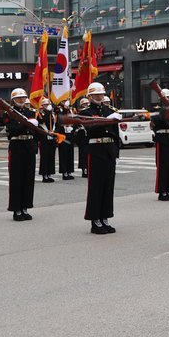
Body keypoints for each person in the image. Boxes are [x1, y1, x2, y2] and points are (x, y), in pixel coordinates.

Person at [81, 82, 120, 235]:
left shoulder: (110, 110)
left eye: (101, 94)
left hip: (109, 150)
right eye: (96, 94)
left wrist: (116, 154)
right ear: (89, 96)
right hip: (96, 150)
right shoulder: (86, 112)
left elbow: (115, 135)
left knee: (108, 186)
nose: (100, 96)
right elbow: (90, 128)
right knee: (96, 187)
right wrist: (107, 120)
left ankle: (105, 217)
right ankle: (95, 220)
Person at [2, 88, 37, 221]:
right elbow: (12, 131)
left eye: (23, 98)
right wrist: (26, 124)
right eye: (18, 99)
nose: (21, 100)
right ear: (13, 100)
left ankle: (25, 207)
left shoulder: (31, 112)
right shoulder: (8, 113)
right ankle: (16, 209)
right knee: (17, 180)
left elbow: (35, 131)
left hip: (29, 147)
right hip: (17, 147)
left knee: (28, 179)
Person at [150, 88, 169, 201]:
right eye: (167, 97)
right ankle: (161, 191)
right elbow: (157, 120)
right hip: (163, 139)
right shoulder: (157, 109)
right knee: (162, 166)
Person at [36, 97, 57, 183]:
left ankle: (50, 173)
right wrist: (48, 112)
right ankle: (44, 175)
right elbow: (42, 121)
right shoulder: (40, 114)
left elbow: (56, 123)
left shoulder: (52, 114)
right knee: (44, 156)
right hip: (44, 137)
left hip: (52, 136)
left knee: (51, 156)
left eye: (48, 104)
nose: (47, 106)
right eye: (45, 105)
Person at [56, 100, 76, 180]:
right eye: (64, 102)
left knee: (70, 154)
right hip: (63, 135)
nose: (66, 104)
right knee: (63, 154)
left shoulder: (71, 111)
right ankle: (64, 172)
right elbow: (58, 122)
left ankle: (69, 171)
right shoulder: (59, 111)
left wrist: (73, 128)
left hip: (70, 135)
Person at [74, 97, 90, 177]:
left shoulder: (89, 112)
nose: (86, 105)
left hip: (89, 134)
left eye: (87, 103)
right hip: (82, 134)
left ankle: (88, 168)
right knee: (83, 153)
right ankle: (84, 170)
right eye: (84, 104)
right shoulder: (80, 113)